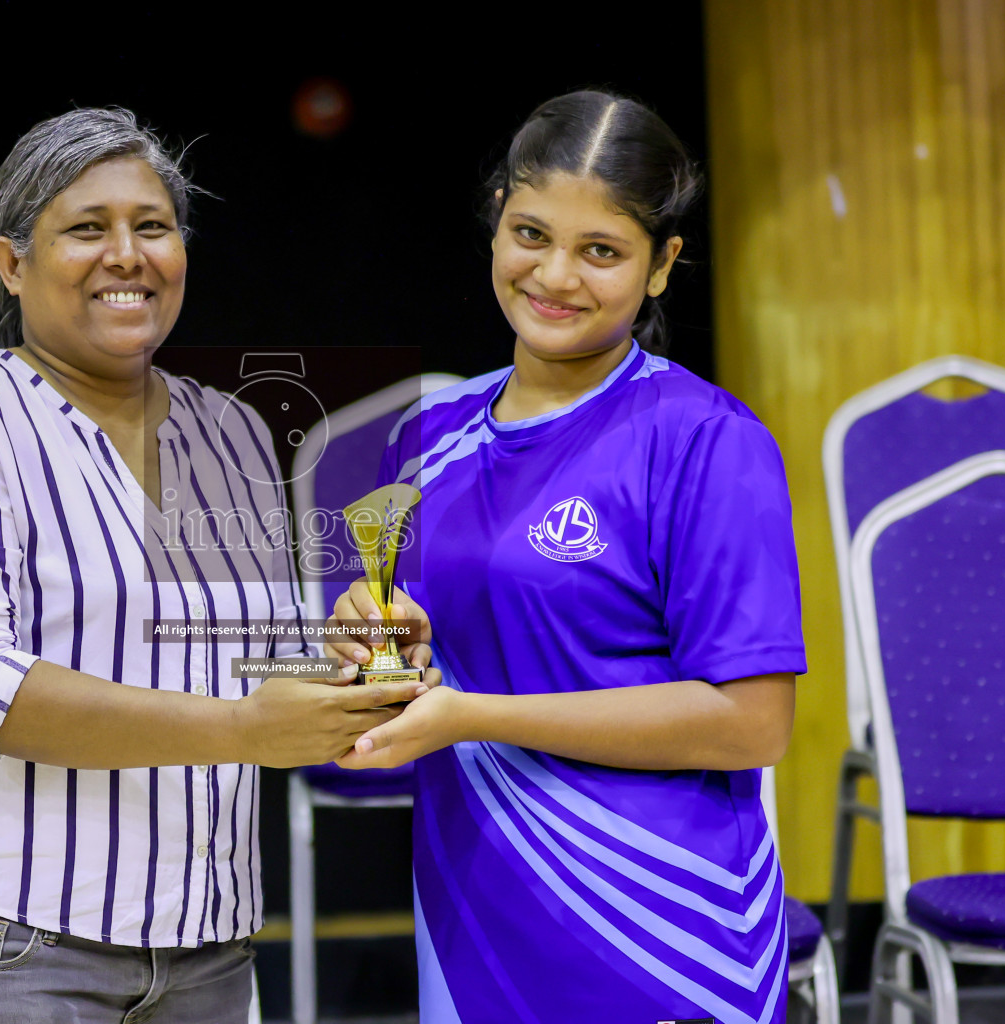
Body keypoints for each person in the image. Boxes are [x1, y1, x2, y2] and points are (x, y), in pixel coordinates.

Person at [0, 108, 433, 1024]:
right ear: (13, 265)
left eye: (154, 227)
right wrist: (247, 731)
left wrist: (344, 659)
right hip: (15, 942)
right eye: (87, 228)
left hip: (207, 948)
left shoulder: (233, 430)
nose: (126, 254)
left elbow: (237, 658)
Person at [326, 91, 805, 1024]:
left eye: (601, 251)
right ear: (498, 217)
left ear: (663, 267)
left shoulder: (707, 440)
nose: (555, 275)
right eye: (531, 233)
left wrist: (470, 714)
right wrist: (365, 638)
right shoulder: (426, 437)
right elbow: (409, 661)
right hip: (473, 913)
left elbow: (752, 725)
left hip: (663, 919)